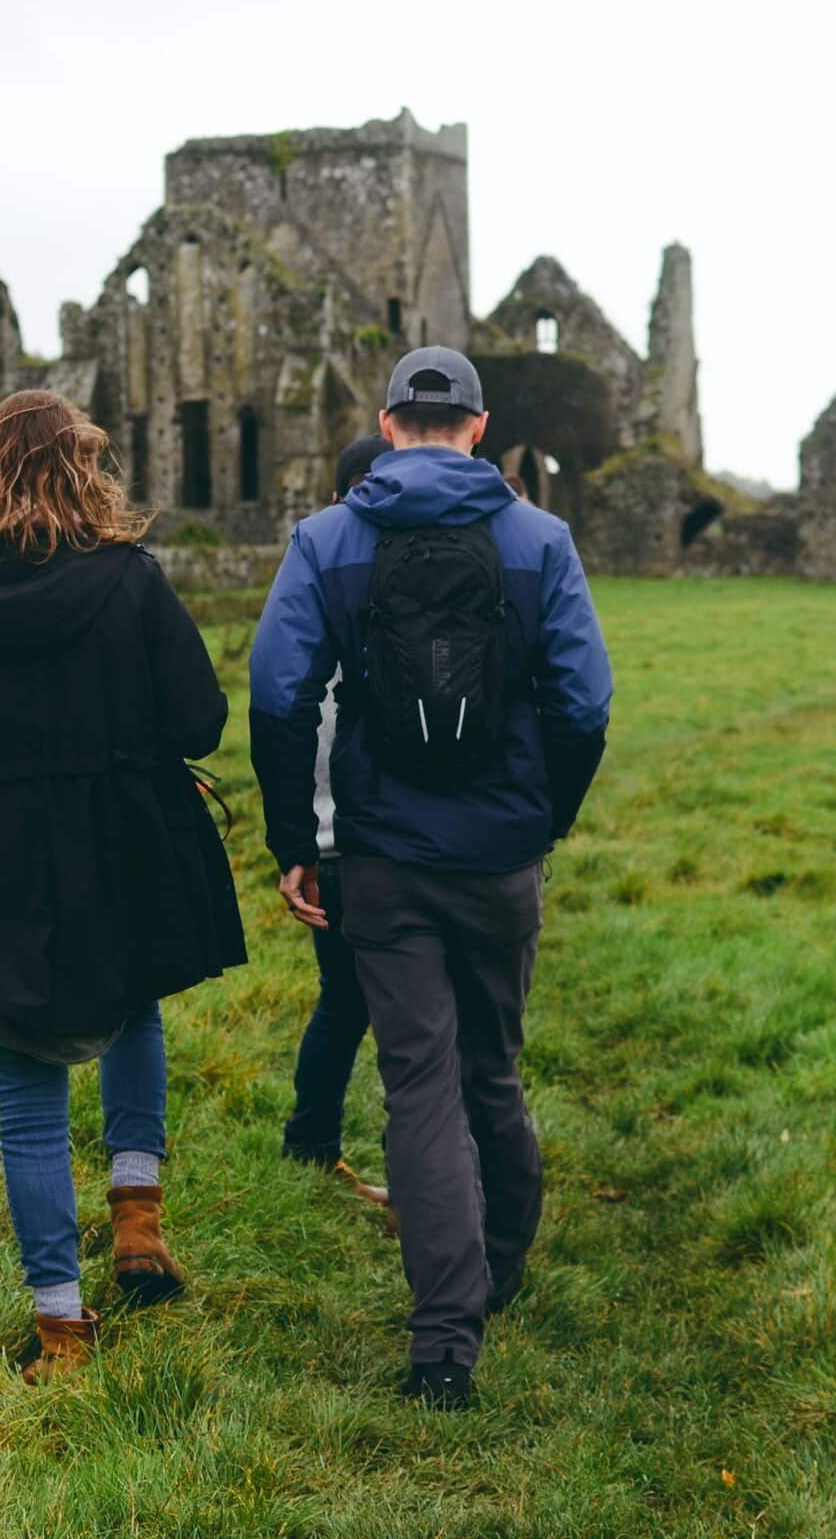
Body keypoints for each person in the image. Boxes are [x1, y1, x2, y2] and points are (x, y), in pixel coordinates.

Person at [249, 347, 613, 1410]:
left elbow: (278, 696)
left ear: (386, 419)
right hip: (500, 851)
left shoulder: (328, 537)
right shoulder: (538, 538)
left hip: (383, 855)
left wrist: (293, 842)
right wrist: (545, 823)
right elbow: (583, 706)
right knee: (491, 1070)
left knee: (417, 1088)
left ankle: (443, 1344)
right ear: (479, 426)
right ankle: (499, 1267)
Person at [0, 389, 245, 1383]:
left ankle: (61, 1326)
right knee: (134, 1002)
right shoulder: (130, 580)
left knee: (27, 1095)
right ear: (83, 468)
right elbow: (198, 718)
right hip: (124, 837)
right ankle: (138, 1224)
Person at [279, 434, 394, 1208]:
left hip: (333, 837)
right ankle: (421, 1171)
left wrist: (299, 839)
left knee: (346, 1000)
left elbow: (282, 711)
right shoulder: (388, 590)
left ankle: (309, 1145)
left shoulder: (315, 579)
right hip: (384, 839)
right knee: (409, 1014)